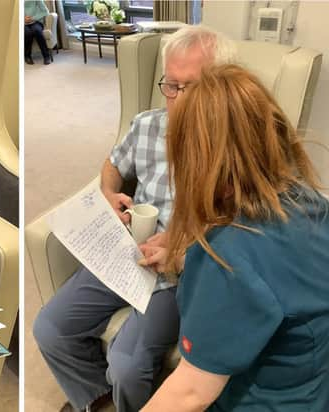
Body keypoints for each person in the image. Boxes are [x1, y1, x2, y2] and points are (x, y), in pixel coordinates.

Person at [33, 26, 236, 412]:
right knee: (50, 329)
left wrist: (182, 245)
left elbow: (240, 225)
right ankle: (99, 401)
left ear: (219, 87)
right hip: (126, 252)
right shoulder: (147, 125)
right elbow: (111, 166)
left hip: (181, 269)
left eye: (189, 87)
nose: (176, 99)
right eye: (170, 85)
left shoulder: (233, 144)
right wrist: (109, 194)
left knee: (126, 364)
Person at [139, 64, 329, 411]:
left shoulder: (226, 257)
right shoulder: (309, 202)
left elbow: (190, 393)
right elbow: (275, 283)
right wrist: (184, 257)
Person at [24, 0, 52, 65]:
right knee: (27, 33)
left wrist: (32, 18)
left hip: (36, 21)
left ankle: (46, 56)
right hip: (23, 23)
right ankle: (27, 56)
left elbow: (45, 11)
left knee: (37, 31)